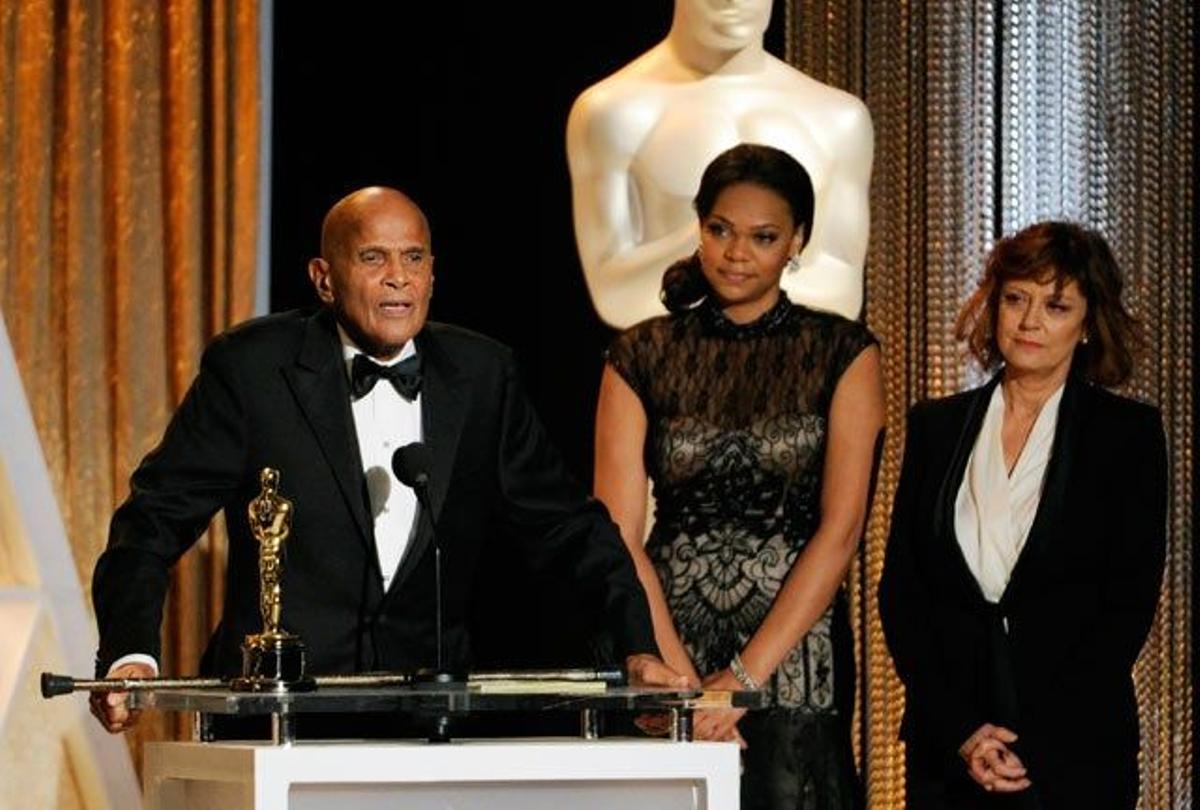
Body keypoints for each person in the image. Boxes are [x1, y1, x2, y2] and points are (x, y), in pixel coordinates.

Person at [90, 186, 684, 734]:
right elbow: (155, 518)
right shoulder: (252, 370)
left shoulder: (481, 376)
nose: (398, 278)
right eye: (373, 259)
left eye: (414, 258)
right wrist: (130, 653)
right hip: (275, 721)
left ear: (433, 274)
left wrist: (638, 647)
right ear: (325, 279)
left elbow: (569, 527)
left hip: (425, 722)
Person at [594, 143, 883, 808]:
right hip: (667, 650)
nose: (735, 253)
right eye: (720, 230)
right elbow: (617, 532)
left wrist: (742, 680)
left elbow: (840, 534)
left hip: (792, 657)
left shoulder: (844, 352)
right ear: (698, 226)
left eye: (763, 237)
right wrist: (685, 686)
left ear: (797, 242)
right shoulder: (640, 354)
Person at [878, 221, 1167, 809]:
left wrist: (1026, 741)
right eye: (1016, 299)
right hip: (948, 748)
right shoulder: (936, 427)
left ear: (1087, 324)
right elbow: (902, 593)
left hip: (1073, 751)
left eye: (1055, 305)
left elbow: (1127, 606)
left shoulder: (1127, 436)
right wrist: (964, 733)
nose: (1030, 321)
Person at [567, 0, 873, 329]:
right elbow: (613, 295)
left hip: (799, 368)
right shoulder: (612, 112)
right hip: (670, 369)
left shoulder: (838, 118)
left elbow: (843, 290)